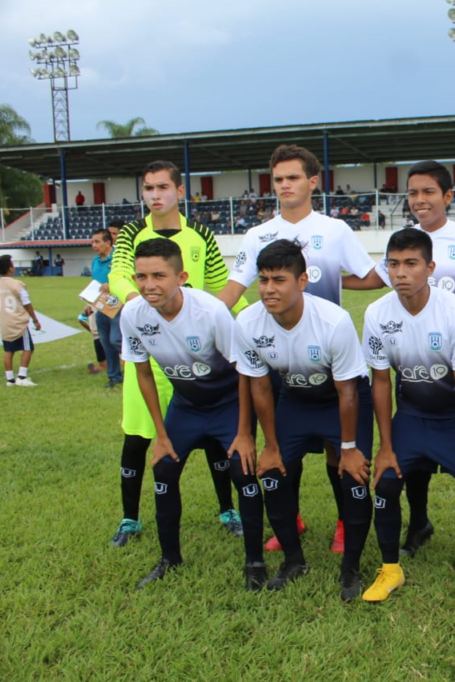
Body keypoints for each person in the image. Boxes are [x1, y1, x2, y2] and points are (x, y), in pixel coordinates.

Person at [218, 144, 378, 556]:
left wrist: (336, 280)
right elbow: (235, 287)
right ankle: (293, 520)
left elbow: (371, 276)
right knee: (284, 451)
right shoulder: (257, 235)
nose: (285, 185)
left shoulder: (335, 230)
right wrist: (200, 317)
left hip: (329, 359)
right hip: (281, 361)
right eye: (278, 179)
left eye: (293, 178)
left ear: (313, 182)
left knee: (336, 450)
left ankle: (343, 524)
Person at [344, 160, 455, 558]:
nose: (419, 199)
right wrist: (318, 276)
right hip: (413, 396)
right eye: (412, 193)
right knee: (402, 474)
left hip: (454, 387)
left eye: (428, 191)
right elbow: (373, 282)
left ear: (447, 196)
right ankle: (418, 525)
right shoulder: (398, 258)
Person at [107, 160, 244, 548]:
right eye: (148, 188)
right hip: (150, 352)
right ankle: (129, 519)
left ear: (179, 191)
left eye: (162, 187)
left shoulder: (200, 234)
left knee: (215, 439)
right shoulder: (132, 232)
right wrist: (141, 304)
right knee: (138, 438)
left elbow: (219, 284)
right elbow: (118, 275)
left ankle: (227, 510)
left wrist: (252, 317)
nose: (155, 195)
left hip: (195, 357)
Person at [233, 239, 375, 599]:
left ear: (302, 281)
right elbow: (259, 386)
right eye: (263, 280)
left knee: (354, 477)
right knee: (273, 474)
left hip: (341, 399)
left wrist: (348, 449)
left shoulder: (333, 320)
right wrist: (270, 446)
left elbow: (347, 391)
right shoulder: (248, 321)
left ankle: (351, 568)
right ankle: (294, 561)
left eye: (279, 280)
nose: (269, 289)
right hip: (294, 399)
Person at [120, 239, 266, 590]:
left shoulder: (210, 312)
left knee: (243, 472)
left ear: (181, 277)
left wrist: (244, 432)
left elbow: (244, 371)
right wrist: (161, 435)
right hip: (186, 407)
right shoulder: (133, 314)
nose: (149, 285)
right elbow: (142, 373)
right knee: (164, 469)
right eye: (141, 276)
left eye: (159, 276)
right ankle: (169, 558)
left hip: (228, 404)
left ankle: (255, 562)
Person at [360, 229, 455, 604]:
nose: (400, 273)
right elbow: (381, 382)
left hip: (453, 417)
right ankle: (393, 563)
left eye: (411, 264)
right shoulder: (377, 313)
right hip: (411, 415)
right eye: (393, 264)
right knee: (386, 482)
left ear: (430, 268)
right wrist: (385, 446)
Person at [0, 254, 41, 387]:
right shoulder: (17, 284)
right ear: (10, 268)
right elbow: (26, 303)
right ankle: (22, 377)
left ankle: (9, 379)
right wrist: (35, 319)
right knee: (28, 348)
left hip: (4, 322)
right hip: (18, 322)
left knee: (8, 350)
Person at [90, 228, 123, 388]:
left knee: (116, 339)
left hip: (119, 304)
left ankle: (144, 362)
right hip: (102, 306)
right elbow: (95, 284)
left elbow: (127, 277)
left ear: (108, 242)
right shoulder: (95, 261)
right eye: (92, 242)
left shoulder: (119, 257)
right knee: (106, 343)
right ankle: (114, 377)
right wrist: (89, 304)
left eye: (97, 242)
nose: (94, 245)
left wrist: (112, 285)